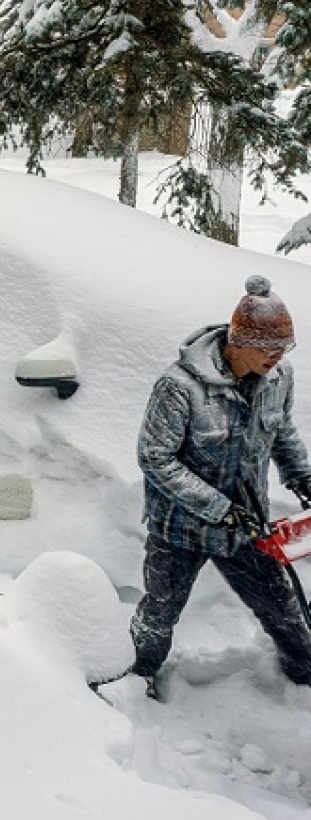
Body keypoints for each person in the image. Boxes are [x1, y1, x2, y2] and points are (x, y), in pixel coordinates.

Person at [131, 274, 311, 697]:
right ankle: (137, 678)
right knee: (159, 615)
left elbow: (282, 431)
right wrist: (217, 507)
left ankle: (303, 679)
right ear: (238, 342)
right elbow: (154, 458)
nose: (278, 357)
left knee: (285, 614)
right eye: (270, 347)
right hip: (179, 530)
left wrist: (302, 476)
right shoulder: (180, 387)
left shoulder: (277, 379)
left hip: (246, 527)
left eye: (286, 347)